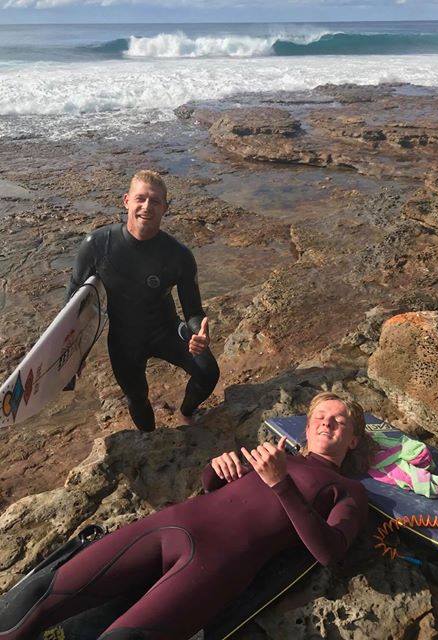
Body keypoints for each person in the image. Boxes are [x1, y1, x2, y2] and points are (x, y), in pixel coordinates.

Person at [0, 392, 369, 640]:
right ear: (306, 428)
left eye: (339, 420)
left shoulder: (348, 490)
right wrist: (217, 470)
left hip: (214, 566)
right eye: (320, 416)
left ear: (352, 440)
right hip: (169, 526)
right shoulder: (276, 454)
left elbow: (330, 551)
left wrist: (280, 484)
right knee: (38, 594)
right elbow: (219, 490)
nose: (327, 423)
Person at [66, 169, 219, 431]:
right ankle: (149, 438)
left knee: (208, 372)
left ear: (165, 207)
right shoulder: (97, 245)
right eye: (141, 198)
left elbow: (193, 310)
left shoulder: (178, 255)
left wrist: (198, 332)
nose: (147, 206)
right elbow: (73, 308)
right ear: (127, 201)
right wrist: (73, 356)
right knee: (137, 397)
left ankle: (186, 413)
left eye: (155, 201)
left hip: (166, 329)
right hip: (125, 340)